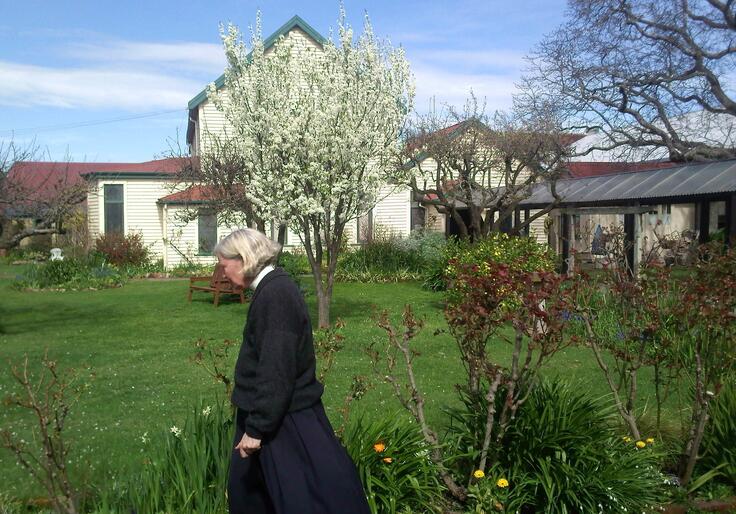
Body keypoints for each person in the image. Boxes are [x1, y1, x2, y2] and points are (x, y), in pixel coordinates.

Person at [215, 228, 370, 514]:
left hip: (285, 423)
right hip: (273, 418)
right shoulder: (271, 290)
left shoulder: (276, 295)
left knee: (305, 499)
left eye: (223, 266)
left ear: (243, 259)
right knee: (255, 496)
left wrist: (257, 429)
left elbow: (277, 368)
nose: (222, 274)